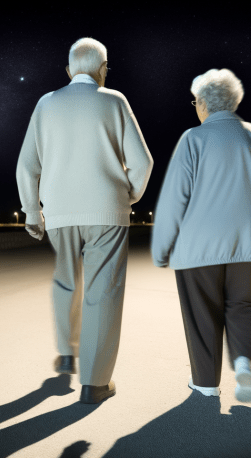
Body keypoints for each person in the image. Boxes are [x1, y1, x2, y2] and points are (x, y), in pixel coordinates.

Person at [16, 38, 153, 404]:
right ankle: (94, 383)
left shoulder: (46, 103)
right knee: (102, 292)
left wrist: (33, 211)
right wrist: (128, 195)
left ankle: (65, 350)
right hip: (107, 211)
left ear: (68, 71)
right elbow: (143, 162)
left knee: (66, 280)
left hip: (59, 214)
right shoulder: (114, 101)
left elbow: (27, 165)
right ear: (103, 69)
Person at [151, 68, 251, 403]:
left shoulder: (193, 139)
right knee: (243, 305)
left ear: (202, 104)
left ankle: (205, 383)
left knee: (202, 314)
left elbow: (174, 199)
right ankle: (243, 363)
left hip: (199, 248)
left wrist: (162, 249)